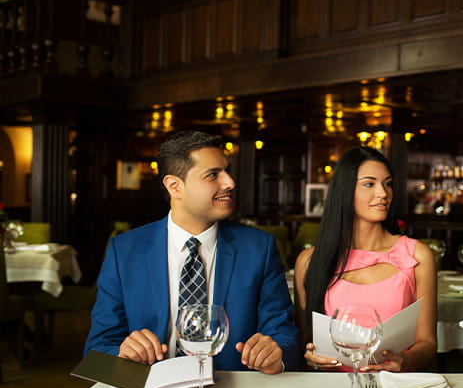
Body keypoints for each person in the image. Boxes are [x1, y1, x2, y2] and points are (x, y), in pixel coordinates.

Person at [84, 131, 299, 373]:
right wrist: (122, 352)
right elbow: (98, 346)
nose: (229, 182)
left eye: (227, 171)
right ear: (175, 186)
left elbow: (282, 332)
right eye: (213, 175)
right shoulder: (124, 251)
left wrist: (276, 352)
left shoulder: (259, 248)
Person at [293, 146, 437, 372]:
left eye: (387, 184)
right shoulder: (309, 261)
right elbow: (304, 341)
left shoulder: (418, 255)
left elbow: (427, 344)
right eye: (369, 184)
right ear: (344, 191)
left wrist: (405, 361)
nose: (383, 193)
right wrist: (309, 355)